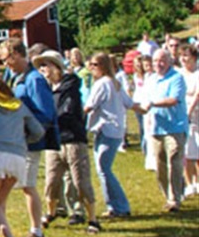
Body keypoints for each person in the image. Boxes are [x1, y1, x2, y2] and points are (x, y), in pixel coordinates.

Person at [33, 51, 101, 233]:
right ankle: (51, 212)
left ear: (56, 67)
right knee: (51, 181)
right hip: (54, 141)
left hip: (73, 140)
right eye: (40, 66)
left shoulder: (70, 86)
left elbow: (67, 112)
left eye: (45, 65)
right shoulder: (46, 89)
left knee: (80, 181)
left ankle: (93, 219)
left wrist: (47, 119)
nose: (42, 69)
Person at [0, 72, 44, 237]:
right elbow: (38, 131)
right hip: (18, 156)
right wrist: (22, 141)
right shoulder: (18, 104)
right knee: (0, 202)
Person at [0, 38, 56, 237]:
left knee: (27, 185)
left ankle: (36, 231)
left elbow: (45, 114)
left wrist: (25, 130)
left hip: (29, 143)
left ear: (16, 55)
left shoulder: (34, 80)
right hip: (15, 141)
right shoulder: (16, 77)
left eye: (6, 59)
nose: (5, 64)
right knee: (6, 186)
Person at [85, 52, 135, 219]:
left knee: (104, 169)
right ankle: (113, 206)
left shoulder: (103, 83)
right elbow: (129, 103)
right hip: (112, 130)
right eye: (91, 64)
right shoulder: (115, 82)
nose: (92, 68)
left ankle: (120, 206)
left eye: (95, 64)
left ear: (104, 66)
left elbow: (90, 105)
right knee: (102, 169)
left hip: (107, 129)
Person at [139, 48, 189, 212]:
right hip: (156, 128)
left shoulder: (176, 78)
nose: (158, 64)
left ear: (169, 61)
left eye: (162, 60)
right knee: (160, 165)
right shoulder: (150, 79)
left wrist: (153, 104)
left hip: (175, 127)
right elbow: (144, 101)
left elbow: (173, 99)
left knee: (174, 162)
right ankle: (170, 193)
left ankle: (174, 199)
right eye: (155, 61)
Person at [180, 44, 199, 197]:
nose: (183, 58)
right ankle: (189, 183)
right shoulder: (179, 74)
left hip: (196, 116)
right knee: (186, 151)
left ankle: (198, 181)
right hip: (182, 116)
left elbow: (197, 95)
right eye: (181, 56)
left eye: (186, 55)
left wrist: (189, 112)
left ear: (193, 57)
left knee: (197, 150)